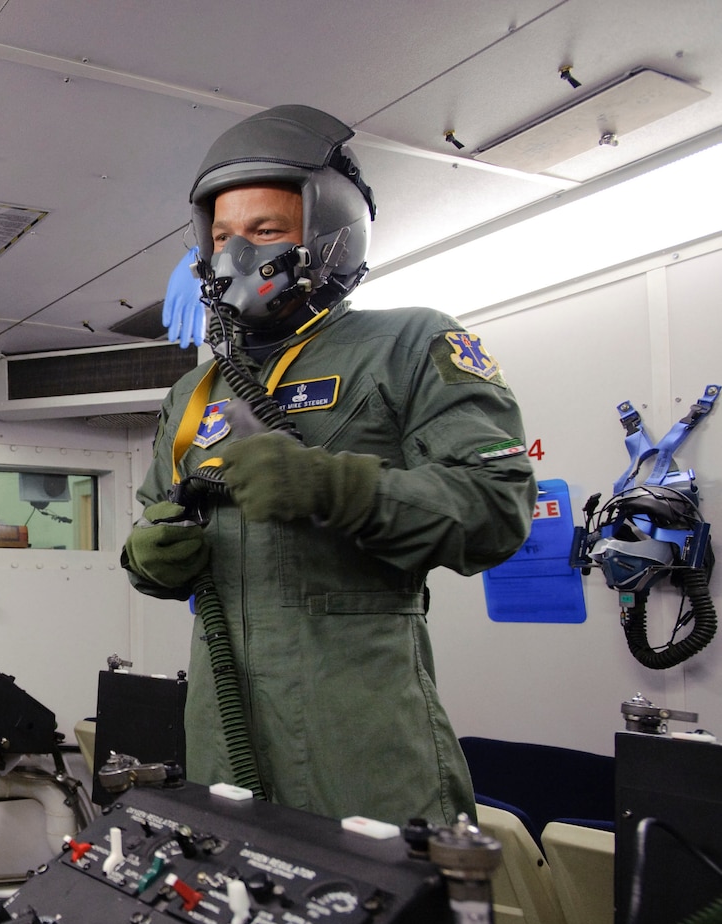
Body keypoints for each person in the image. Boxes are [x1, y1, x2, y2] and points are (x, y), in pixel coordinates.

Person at [123, 104, 535, 828]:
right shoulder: (194, 392)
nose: (235, 254)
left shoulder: (410, 343)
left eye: (265, 232)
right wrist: (148, 558)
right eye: (221, 236)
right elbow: (159, 520)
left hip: (362, 747)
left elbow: (496, 510)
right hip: (223, 737)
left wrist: (334, 488)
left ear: (328, 236)